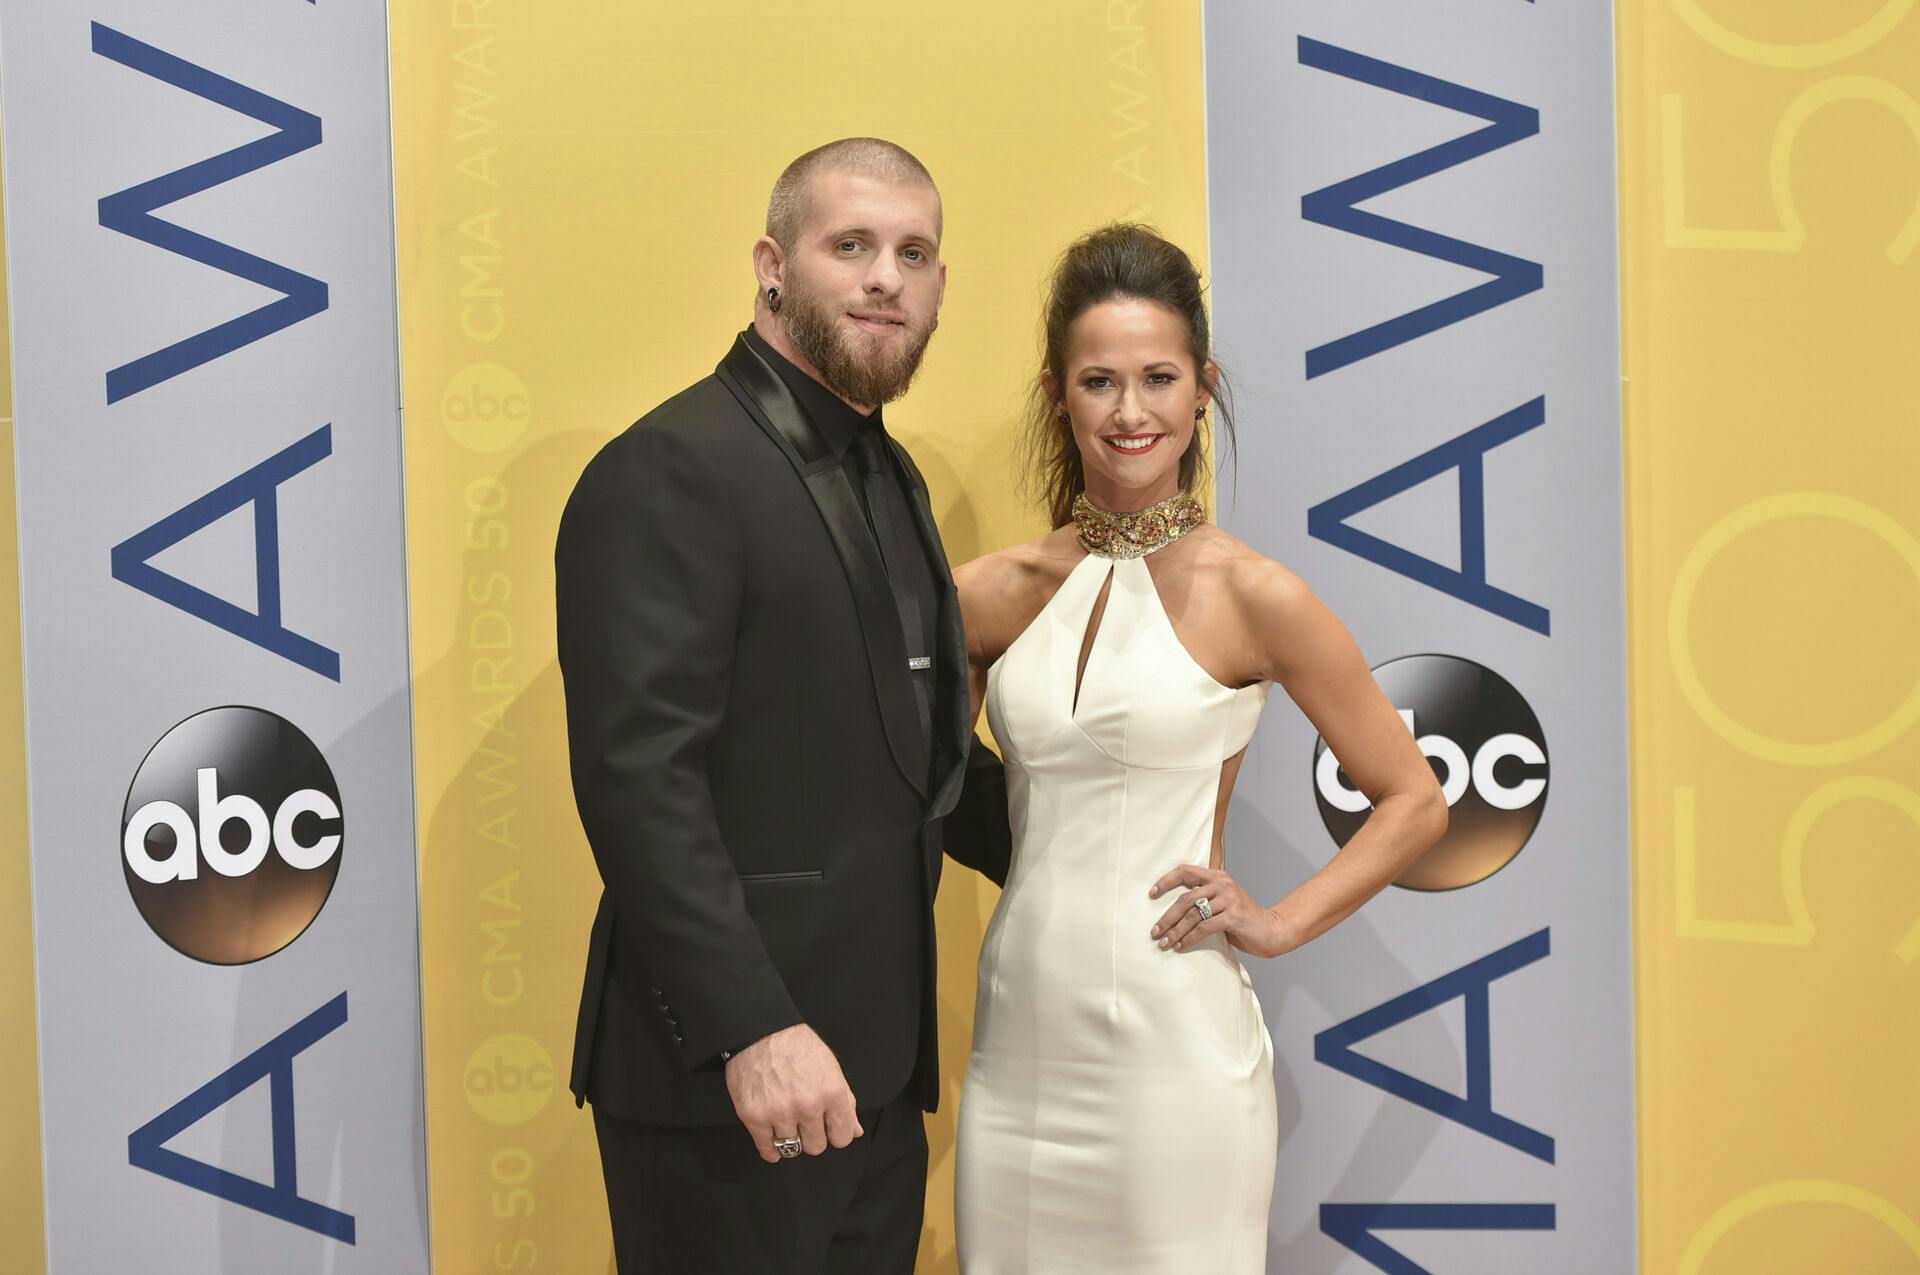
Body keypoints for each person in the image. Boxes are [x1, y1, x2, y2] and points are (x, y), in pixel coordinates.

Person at [951, 223, 1449, 1272]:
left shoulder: (1254, 594)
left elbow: (1415, 799)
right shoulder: (989, 595)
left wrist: (1275, 923)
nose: (1130, 412)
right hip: (1016, 1051)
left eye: (1159, 378)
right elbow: (907, 780)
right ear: (1058, 394)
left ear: (1201, 387)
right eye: (1099, 381)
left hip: (1174, 1052)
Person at [555, 138, 1012, 1274]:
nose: (885, 278)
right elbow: (638, 781)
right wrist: (751, 1026)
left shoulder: (888, 477)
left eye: (915, 253)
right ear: (772, 265)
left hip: (874, 1085)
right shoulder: (671, 467)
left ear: (942, 288)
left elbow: (920, 763)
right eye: (849, 245)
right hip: (729, 1084)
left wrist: (1113, 851)